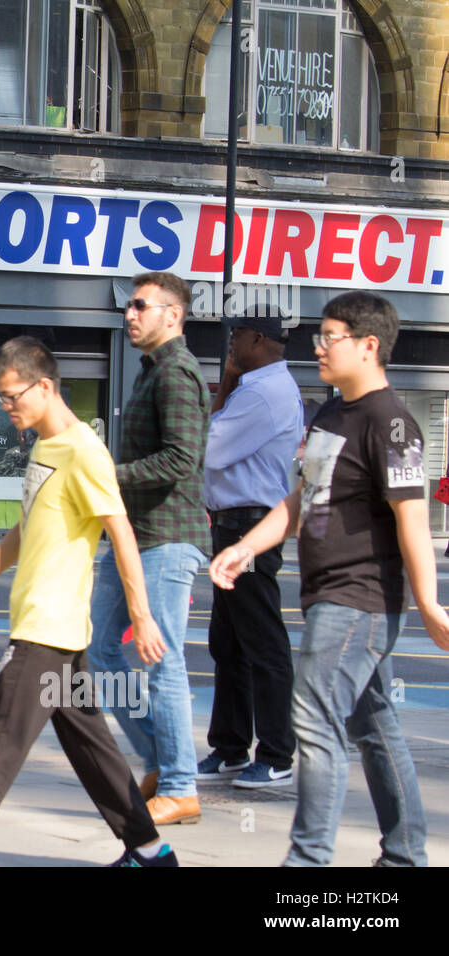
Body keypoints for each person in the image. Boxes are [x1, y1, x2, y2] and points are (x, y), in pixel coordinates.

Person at [0, 337, 177, 867]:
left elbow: (122, 530)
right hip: (54, 630)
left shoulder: (84, 451)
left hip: (46, 629)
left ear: (44, 386)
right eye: (0, 397)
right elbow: (27, 529)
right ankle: (151, 853)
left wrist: (141, 613)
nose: (6, 406)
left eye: (11, 395)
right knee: (96, 753)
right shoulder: (44, 446)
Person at [210, 291, 449, 866]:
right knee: (374, 728)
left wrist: (430, 606)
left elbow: (412, 522)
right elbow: (300, 501)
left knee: (314, 721)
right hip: (327, 596)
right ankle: (405, 857)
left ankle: (308, 861)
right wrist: (245, 546)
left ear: (369, 346)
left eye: (330, 337)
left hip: (358, 599)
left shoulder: (392, 424)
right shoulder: (332, 413)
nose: (318, 347)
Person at [88, 270, 209, 826]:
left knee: (162, 663)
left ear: (172, 314)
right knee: (98, 650)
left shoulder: (177, 374)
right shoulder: (152, 371)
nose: (130, 314)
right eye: (128, 306)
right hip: (135, 537)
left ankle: (181, 786)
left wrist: (108, 476)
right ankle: (163, 759)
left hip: (167, 538)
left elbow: (181, 459)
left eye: (140, 306)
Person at [200, 310, 303, 789]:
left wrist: (227, 384)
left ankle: (277, 753)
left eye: (236, 335)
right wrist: (227, 381)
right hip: (235, 525)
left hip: (251, 526)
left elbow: (209, 449)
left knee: (261, 640)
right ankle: (231, 745)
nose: (231, 343)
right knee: (230, 641)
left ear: (258, 339)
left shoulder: (263, 392)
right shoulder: (252, 387)